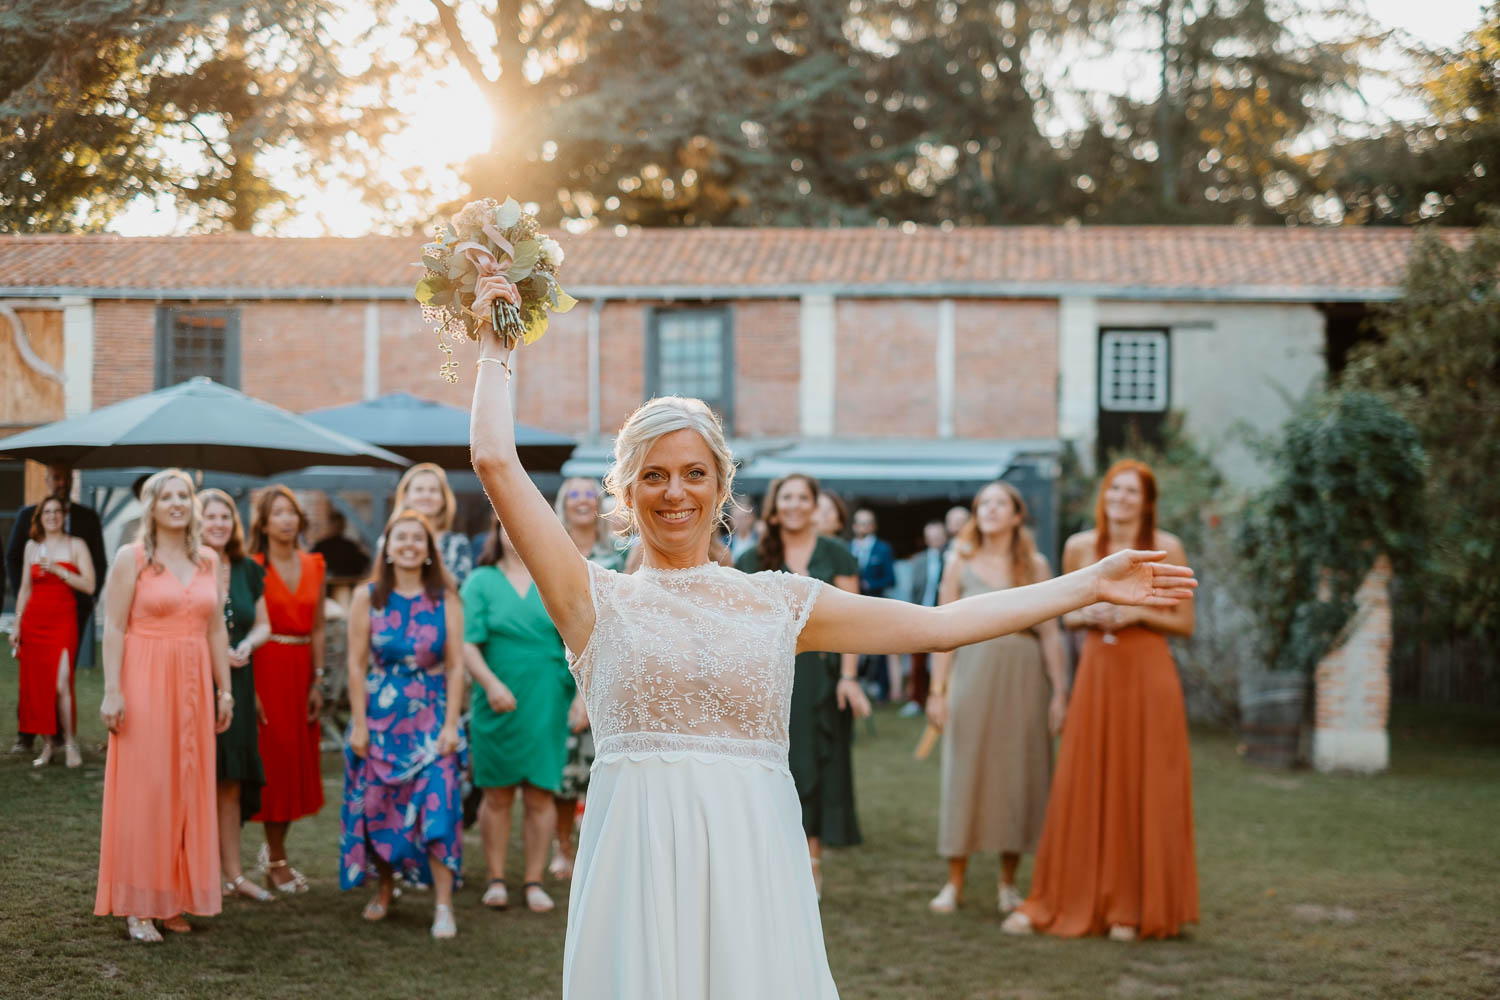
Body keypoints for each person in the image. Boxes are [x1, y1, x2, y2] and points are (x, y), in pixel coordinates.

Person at [466, 302, 1193, 997]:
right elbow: (496, 460)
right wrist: (499, 343)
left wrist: (1088, 584)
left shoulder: (779, 601)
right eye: (652, 475)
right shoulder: (593, 600)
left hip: (754, 859)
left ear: (721, 488)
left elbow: (941, 624)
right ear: (625, 489)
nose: (674, 493)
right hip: (639, 858)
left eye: (694, 473)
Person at [1003, 460, 1200, 941]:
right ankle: (1063, 897)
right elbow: (1065, 616)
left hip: (1148, 672)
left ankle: (1131, 908)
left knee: (1143, 781)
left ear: (1147, 500)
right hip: (1097, 670)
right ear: (1104, 495)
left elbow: (1185, 624)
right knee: (1084, 776)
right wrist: (1092, 614)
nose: (1121, 499)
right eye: (1115, 490)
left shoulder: (1167, 546)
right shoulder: (1080, 547)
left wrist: (1137, 616)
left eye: (1132, 492)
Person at [95, 469, 234, 943]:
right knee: (147, 788)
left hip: (195, 679)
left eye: (184, 496)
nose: (177, 503)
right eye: (166, 496)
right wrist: (113, 690)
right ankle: (138, 904)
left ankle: (173, 898)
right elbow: (113, 628)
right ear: (150, 506)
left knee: (187, 786)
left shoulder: (209, 560)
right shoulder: (130, 558)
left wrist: (225, 688)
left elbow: (217, 629)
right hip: (145, 676)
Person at [924, 482, 1068, 916]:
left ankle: (1008, 883)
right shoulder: (959, 562)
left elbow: (1050, 634)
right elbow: (939, 632)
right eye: (983, 503)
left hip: (1025, 682)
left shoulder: (1035, 565)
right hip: (971, 677)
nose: (989, 509)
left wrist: (1060, 693)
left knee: (1019, 775)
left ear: (1016, 515)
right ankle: (954, 882)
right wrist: (937, 692)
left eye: (999, 503)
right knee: (965, 772)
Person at [736, 474, 870, 898]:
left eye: (803, 497)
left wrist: (849, 678)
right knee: (773, 762)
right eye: (787, 497)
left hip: (822, 676)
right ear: (775, 507)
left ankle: (811, 862)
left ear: (815, 506)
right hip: (769, 677)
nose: (795, 505)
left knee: (818, 764)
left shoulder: (838, 555)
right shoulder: (752, 557)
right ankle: (771, 858)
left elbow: (856, 622)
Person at [341, 509, 465, 938]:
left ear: (429, 550)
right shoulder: (367, 596)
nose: (409, 545)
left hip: (432, 720)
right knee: (379, 807)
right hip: (380, 719)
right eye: (401, 538)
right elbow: (356, 667)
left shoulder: (446, 599)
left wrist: (451, 725)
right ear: (388, 548)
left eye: (418, 539)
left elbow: (455, 667)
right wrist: (358, 724)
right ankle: (385, 888)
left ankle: (444, 904)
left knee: (440, 804)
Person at [462, 515, 574, 913]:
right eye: (506, 524)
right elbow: (467, 644)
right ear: (495, 531)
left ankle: (533, 880)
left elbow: (578, 639)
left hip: (547, 694)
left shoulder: (555, 575)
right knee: (496, 793)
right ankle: (495, 878)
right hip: (496, 694)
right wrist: (490, 684)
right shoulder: (481, 582)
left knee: (541, 793)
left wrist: (579, 698)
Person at [198, 489, 275, 903]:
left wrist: (247, 644)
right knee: (197, 776)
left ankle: (233, 874)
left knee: (229, 780)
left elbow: (263, 623)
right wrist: (210, 650)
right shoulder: (187, 565)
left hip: (239, 682)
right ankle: (198, 872)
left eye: (225, 517)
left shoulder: (247, 569)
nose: (218, 524)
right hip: (195, 679)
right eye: (210, 517)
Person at [249, 485, 326, 893]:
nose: (286, 519)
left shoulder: (315, 565)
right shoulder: (250, 565)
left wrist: (317, 681)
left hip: (300, 674)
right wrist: (249, 688)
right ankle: (272, 857)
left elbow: (317, 628)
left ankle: (276, 853)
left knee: (293, 767)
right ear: (262, 522)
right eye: (277, 513)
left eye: (292, 512)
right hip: (263, 670)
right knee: (269, 767)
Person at [6, 463, 107, 755]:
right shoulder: (28, 516)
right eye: (55, 477)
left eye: (65, 477)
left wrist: (91, 597)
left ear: (71, 480)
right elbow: (14, 559)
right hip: (37, 609)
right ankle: (28, 737)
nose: (60, 482)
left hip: (71, 609)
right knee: (34, 677)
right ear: (48, 480)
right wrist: (25, 604)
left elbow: (99, 562)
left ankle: (63, 736)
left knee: (63, 676)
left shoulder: (87, 518)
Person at [550, 477, 620, 880]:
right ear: (562, 505)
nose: (580, 500)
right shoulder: (553, 555)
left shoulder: (613, 557)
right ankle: (562, 847)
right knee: (562, 767)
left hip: (604, 673)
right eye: (571, 494)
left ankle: (599, 850)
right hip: (554, 672)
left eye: (587, 493)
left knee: (600, 764)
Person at [390, 463, 473, 586]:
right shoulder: (389, 540)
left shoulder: (457, 544)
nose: (426, 496)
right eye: (419, 489)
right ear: (406, 496)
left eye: (433, 490)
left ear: (443, 499)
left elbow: (461, 589)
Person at [850, 509, 900, 703]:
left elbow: (891, 579)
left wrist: (871, 585)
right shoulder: (848, 547)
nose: (863, 526)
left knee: (879, 649)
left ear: (873, 526)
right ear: (854, 526)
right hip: (851, 607)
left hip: (875, 604)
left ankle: (882, 691)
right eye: (859, 522)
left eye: (867, 522)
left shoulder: (883, 549)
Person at [901, 519, 950, 714]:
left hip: (946, 615)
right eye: (932, 536)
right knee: (917, 661)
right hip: (921, 613)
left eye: (939, 536)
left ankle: (943, 698)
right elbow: (913, 589)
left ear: (944, 537)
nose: (935, 539)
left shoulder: (952, 558)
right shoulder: (919, 560)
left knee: (944, 660)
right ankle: (917, 700)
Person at [311, 509, 371, 579]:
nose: (337, 527)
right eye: (336, 524)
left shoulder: (349, 546)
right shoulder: (321, 546)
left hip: (346, 581)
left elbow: (363, 562)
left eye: (339, 524)